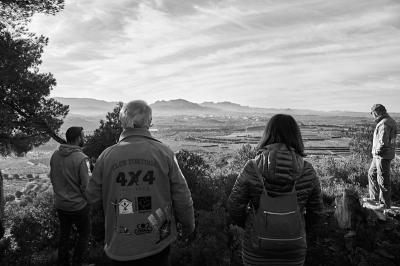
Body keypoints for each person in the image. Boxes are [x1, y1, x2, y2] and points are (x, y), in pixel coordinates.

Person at [86, 100, 195, 266]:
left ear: (122, 123)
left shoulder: (106, 156)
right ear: (149, 123)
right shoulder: (164, 153)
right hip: (158, 243)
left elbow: (92, 196)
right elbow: (182, 196)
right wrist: (188, 227)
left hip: (119, 245)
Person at [227, 114, 323, 266]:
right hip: (293, 249)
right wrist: (298, 228)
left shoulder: (252, 167)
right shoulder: (307, 170)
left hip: (256, 249)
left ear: (267, 135)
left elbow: (234, 206)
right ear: (296, 136)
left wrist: (252, 224)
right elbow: (316, 213)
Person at [49, 127, 91, 266]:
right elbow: (86, 186)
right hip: (78, 206)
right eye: (83, 136)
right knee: (84, 235)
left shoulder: (55, 155)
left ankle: (63, 262)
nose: (84, 138)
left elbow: (53, 178)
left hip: (61, 204)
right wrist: (89, 201)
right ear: (78, 138)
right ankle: (78, 262)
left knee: (64, 235)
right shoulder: (82, 158)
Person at [368, 104, 397, 209]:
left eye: (373, 114)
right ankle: (374, 198)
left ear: (376, 112)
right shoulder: (388, 121)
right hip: (382, 155)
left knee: (383, 179)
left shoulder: (384, 123)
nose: (373, 116)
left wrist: (377, 152)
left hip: (382, 155)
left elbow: (383, 142)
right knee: (372, 173)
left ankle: (384, 205)